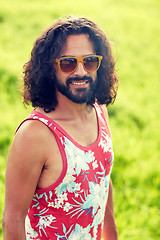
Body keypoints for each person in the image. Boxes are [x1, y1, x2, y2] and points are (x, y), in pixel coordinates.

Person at [2, 16, 118, 240]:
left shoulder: (99, 111)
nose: (81, 72)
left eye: (90, 61)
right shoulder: (35, 135)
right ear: (49, 69)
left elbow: (103, 179)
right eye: (68, 63)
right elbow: (13, 219)